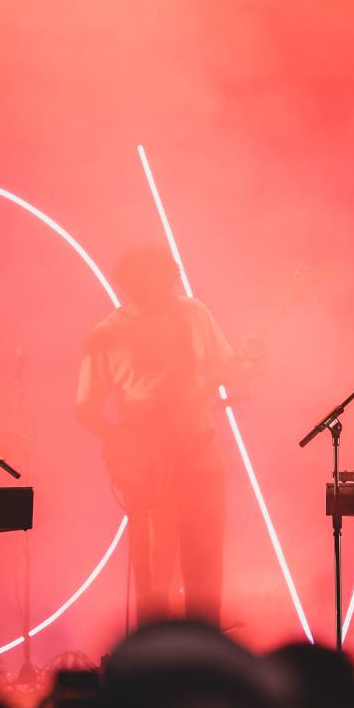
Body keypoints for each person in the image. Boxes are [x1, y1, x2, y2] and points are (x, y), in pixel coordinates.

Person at [75, 247, 250, 627]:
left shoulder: (193, 312)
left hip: (201, 455)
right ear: (129, 288)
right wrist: (127, 444)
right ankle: (154, 660)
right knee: (154, 574)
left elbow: (230, 369)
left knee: (205, 562)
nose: (164, 292)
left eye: (168, 282)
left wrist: (253, 363)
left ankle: (206, 651)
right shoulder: (108, 335)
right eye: (151, 284)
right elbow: (86, 411)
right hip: (150, 468)